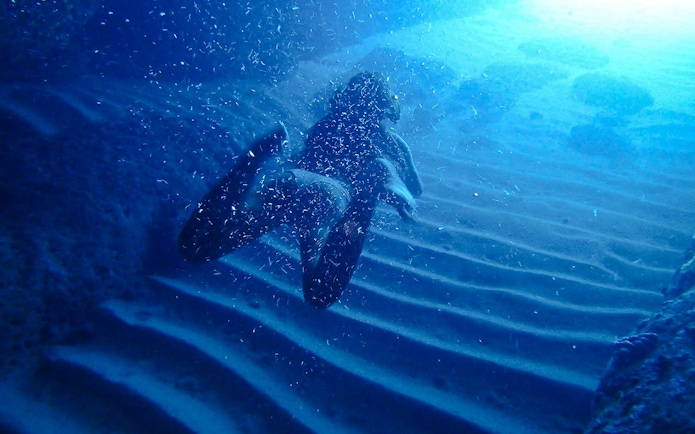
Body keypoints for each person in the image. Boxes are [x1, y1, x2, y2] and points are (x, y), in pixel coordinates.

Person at [179, 72, 423, 308]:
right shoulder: (389, 140)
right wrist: (398, 176)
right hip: (330, 196)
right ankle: (372, 186)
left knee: (197, 249)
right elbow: (416, 188)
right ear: (385, 105)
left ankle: (256, 157)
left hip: (291, 183)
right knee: (319, 295)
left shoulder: (330, 120)